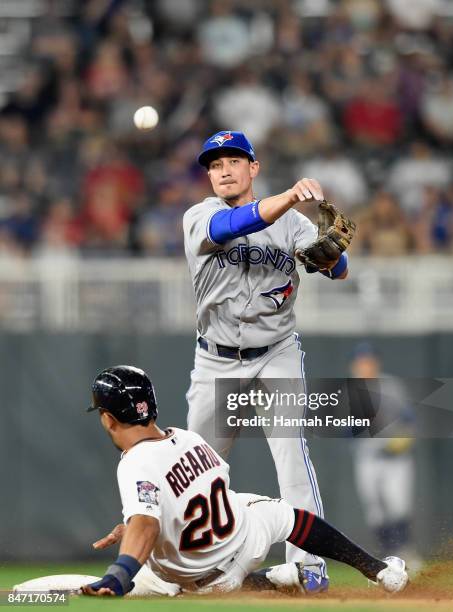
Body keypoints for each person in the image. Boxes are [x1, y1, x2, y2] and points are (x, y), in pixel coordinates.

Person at [182, 130, 351, 590]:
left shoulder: (294, 224)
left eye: (233, 161)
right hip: (216, 359)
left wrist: (329, 248)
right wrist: (292, 196)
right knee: (198, 469)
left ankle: (310, 565)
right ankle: (191, 562)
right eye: (215, 165)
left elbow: (339, 270)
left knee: (292, 457)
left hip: (276, 353)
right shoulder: (200, 216)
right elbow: (232, 228)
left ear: (253, 168)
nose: (223, 170)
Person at [82, 365, 408, 597]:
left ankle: (270, 580)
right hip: (246, 540)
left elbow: (148, 525)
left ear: (108, 419)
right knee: (286, 516)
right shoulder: (187, 439)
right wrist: (144, 522)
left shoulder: (134, 463)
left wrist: (120, 574)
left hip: (203, 581)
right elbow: (209, 489)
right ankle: (379, 570)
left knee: (175, 572)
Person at [349, 343, 418, 562]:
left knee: (399, 505)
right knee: (375, 510)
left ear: (376, 363)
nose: (365, 365)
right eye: (361, 362)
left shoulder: (390, 386)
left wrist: (405, 437)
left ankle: (405, 551)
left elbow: (409, 419)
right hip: (368, 458)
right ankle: (387, 555)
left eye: (368, 361)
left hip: (396, 458)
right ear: (353, 365)